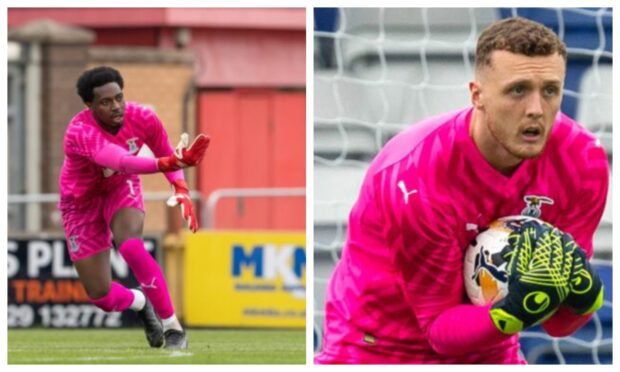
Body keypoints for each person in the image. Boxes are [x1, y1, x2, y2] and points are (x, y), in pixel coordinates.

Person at [315, 17, 608, 364]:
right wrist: (511, 312)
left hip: (490, 349)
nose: (535, 109)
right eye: (518, 90)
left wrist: (584, 297)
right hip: (375, 348)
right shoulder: (416, 176)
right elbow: (440, 330)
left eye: (549, 90)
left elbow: (560, 326)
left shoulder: (581, 161)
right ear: (477, 95)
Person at [59, 66, 210, 349]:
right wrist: (170, 164)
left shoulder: (143, 117)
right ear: (89, 105)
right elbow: (122, 161)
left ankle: (173, 328)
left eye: (119, 97)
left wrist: (180, 186)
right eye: (105, 102)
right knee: (101, 296)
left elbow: (166, 152)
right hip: (80, 204)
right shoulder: (79, 132)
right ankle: (140, 302)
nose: (116, 106)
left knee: (130, 246)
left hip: (120, 187)